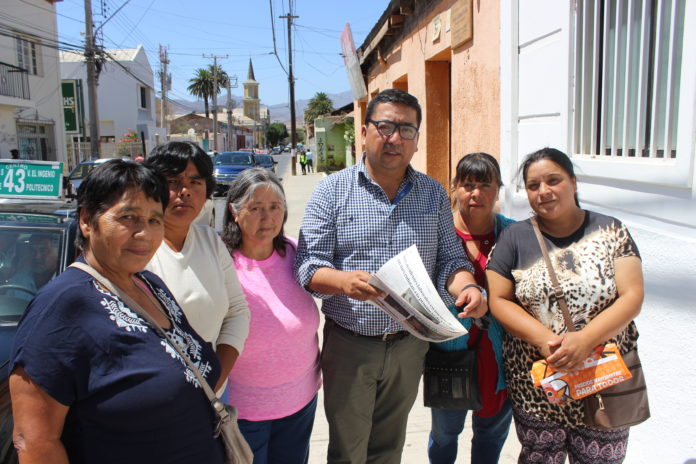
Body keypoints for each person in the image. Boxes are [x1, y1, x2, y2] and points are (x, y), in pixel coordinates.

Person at [294, 88, 487, 464]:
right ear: (364, 132)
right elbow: (308, 265)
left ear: (416, 140)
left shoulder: (432, 194)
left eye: (406, 129)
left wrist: (467, 286)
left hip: (409, 345)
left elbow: (449, 257)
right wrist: (343, 282)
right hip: (350, 345)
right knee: (348, 450)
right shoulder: (331, 192)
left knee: (389, 447)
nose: (395, 138)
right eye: (384, 126)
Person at [9, 160, 226, 463]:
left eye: (154, 219)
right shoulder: (61, 307)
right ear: (87, 220)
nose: (145, 234)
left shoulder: (149, 285)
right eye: (128, 217)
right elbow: (35, 442)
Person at [486, 148, 644, 464]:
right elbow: (499, 300)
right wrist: (549, 343)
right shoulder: (514, 238)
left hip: (602, 374)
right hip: (539, 380)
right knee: (540, 457)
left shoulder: (611, 231)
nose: (543, 192)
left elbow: (632, 295)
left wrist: (585, 341)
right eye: (533, 186)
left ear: (572, 182)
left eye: (553, 180)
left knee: (600, 458)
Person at [221, 167, 321, 464]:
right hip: (244, 412)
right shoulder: (222, 263)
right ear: (234, 212)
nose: (267, 218)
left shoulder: (294, 253)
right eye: (255, 208)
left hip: (301, 403)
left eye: (275, 207)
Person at [427, 153, 514, 463]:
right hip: (449, 357)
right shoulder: (437, 234)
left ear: (498, 189)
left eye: (485, 185)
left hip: (498, 357)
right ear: (455, 188)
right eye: (467, 185)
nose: (475, 193)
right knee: (444, 436)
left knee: (491, 435)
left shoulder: (513, 234)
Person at [145, 141, 250, 393]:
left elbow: (237, 312)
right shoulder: (137, 250)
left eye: (195, 182)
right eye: (172, 181)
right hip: (156, 400)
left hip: (212, 396)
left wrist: (215, 381)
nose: (185, 191)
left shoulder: (211, 241)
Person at [7, 234, 60, 300]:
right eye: (32, 250)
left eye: (43, 250)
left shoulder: (63, 283)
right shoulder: (18, 280)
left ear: (57, 253)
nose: (37, 256)